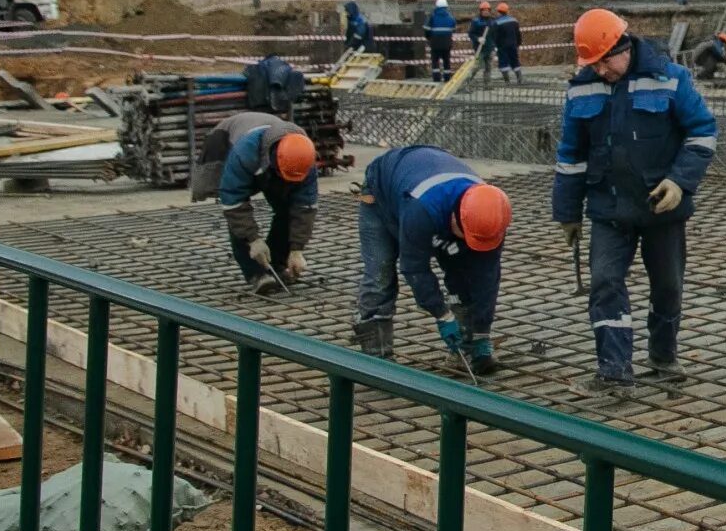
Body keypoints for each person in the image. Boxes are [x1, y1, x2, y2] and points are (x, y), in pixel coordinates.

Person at [555, 9, 718, 393]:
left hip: (660, 207)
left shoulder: (669, 78)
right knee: (604, 282)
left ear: (622, 47)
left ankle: (663, 357)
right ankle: (614, 370)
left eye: (603, 62)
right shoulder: (582, 86)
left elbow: (702, 134)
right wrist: (567, 212)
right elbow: (570, 154)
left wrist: (679, 182)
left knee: (667, 286)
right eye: (591, 64)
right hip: (608, 209)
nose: (599, 71)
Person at [351, 145, 511, 373]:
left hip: (422, 183)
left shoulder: (490, 217)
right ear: (457, 218)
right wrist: (442, 314)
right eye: (465, 235)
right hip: (381, 194)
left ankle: (465, 351)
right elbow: (414, 268)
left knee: (464, 270)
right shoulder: (422, 210)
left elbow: (486, 278)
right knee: (381, 273)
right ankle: (377, 360)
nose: (469, 241)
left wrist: (482, 331)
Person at [192, 112, 318, 296]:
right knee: (237, 213)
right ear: (274, 162)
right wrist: (253, 239)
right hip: (225, 142)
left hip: (269, 158)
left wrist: (297, 249)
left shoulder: (304, 159)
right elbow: (233, 203)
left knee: (287, 209)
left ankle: (276, 265)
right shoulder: (244, 153)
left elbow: (305, 206)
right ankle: (256, 274)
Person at [423, 0, 456, 81]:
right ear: (446, 7)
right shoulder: (450, 17)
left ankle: (436, 77)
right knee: (446, 60)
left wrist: (428, 38)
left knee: (435, 60)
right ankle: (447, 77)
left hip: (435, 42)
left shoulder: (432, 16)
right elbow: (453, 28)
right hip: (447, 42)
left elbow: (426, 28)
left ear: (436, 6)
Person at [492, 1, 524, 82]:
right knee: (515, 60)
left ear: (498, 12)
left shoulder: (496, 22)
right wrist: (519, 44)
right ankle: (519, 77)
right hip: (513, 45)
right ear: (507, 11)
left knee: (503, 62)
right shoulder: (514, 20)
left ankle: (507, 80)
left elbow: (495, 35)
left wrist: (494, 46)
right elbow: (518, 34)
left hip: (502, 46)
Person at [468, 0, 497, 81]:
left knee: (488, 67)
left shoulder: (493, 21)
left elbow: (496, 34)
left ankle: (487, 84)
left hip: (490, 47)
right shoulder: (476, 21)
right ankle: (468, 81)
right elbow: (470, 34)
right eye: (484, 10)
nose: (486, 12)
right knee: (476, 67)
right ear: (481, 11)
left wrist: (495, 46)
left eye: (487, 10)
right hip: (479, 48)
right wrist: (478, 39)